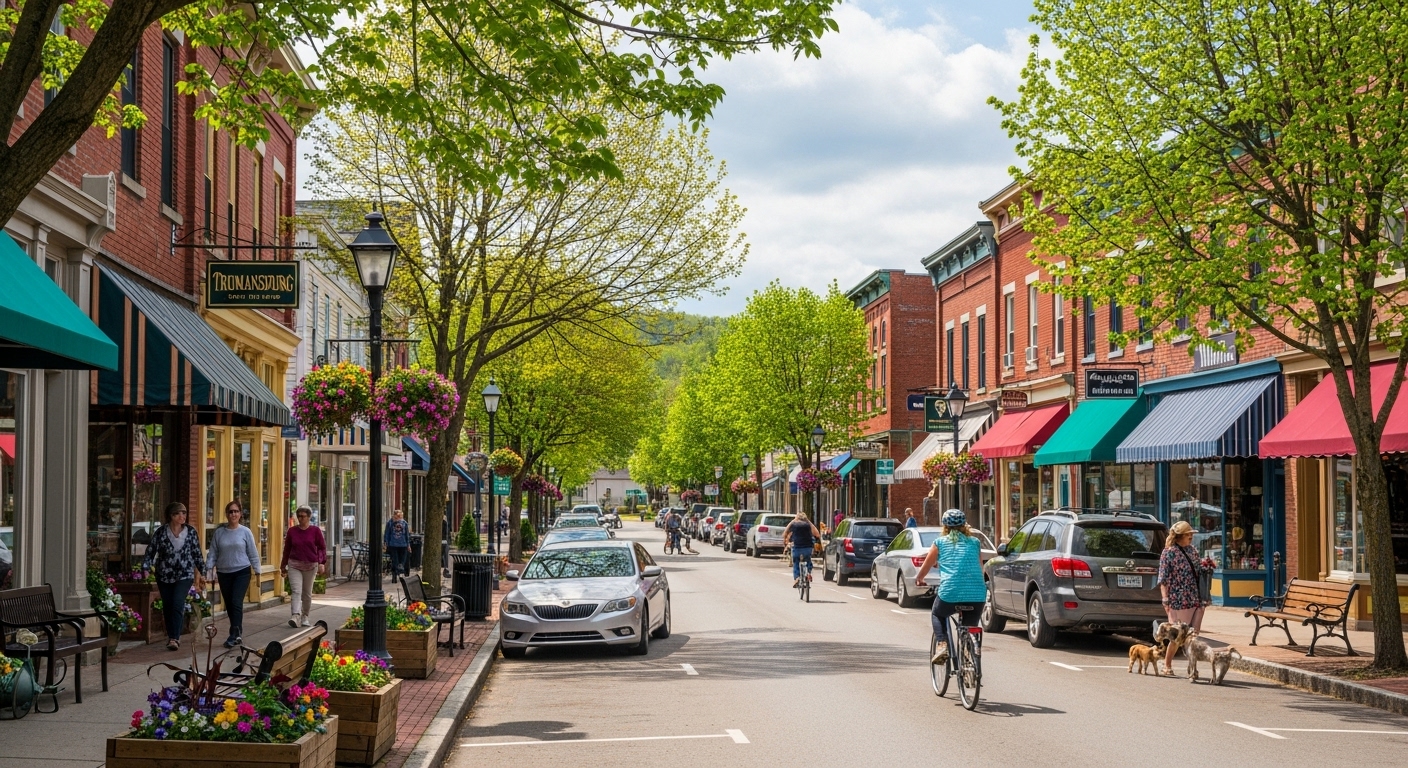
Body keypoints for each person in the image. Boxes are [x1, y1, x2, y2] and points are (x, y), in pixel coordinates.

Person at [914, 508, 987, 664]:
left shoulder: (939, 543)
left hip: (951, 592)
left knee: (937, 614)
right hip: (977, 594)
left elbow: (927, 564)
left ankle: (942, 644)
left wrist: (920, 578)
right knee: (970, 625)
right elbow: (980, 568)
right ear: (964, 525)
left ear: (945, 526)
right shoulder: (975, 542)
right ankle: (970, 655)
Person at [143, 502, 206, 651]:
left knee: (178, 602)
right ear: (171, 516)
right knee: (168, 604)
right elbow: (151, 550)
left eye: (184, 513)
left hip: (185, 574)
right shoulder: (161, 532)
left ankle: (174, 638)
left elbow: (196, 553)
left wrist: (203, 572)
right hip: (164, 574)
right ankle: (171, 634)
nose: (182, 516)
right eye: (178, 513)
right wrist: (146, 567)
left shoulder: (191, 532)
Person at [205, 500, 260, 648]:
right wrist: (209, 567)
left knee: (236, 602)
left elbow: (252, 553)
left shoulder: (245, 532)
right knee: (229, 604)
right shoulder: (219, 533)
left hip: (242, 571)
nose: (233, 514)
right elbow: (213, 552)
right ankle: (237, 631)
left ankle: (233, 634)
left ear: (240, 514)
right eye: (231, 512)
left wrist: (257, 570)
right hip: (224, 573)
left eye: (236, 511)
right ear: (227, 514)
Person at [1159, 520, 1210, 673]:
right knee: (1178, 635)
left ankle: (1192, 668)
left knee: (1193, 636)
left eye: (1191, 535)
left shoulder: (1192, 551)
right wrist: (1165, 599)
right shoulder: (1169, 552)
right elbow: (1163, 579)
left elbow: (1199, 571)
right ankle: (1167, 665)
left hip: (1195, 597)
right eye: (1188, 535)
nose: (1191, 537)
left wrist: (1207, 568)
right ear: (1180, 536)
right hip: (1178, 600)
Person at [280, 506, 327, 628]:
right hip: (294, 564)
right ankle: (295, 616)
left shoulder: (315, 531)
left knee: (306, 593)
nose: (300, 519)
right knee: (296, 591)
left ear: (309, 517)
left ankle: (305, 616)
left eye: (303, 516)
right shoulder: (292, 531)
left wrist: (321, 562)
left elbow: (322, 547)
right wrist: (283, 565)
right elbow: (287, 549)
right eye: (299, 516)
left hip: (310, 566)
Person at [782, 512, 821, 587]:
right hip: (807, 548)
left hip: (797, 548)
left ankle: (797, 578)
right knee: (808, 561)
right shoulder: (808, 525)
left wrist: (792, 521)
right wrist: (809, 522)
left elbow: (784, 534)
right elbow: (817, 534)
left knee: (796, 562)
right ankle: (808, 573)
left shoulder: (794, 524)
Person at [384, 509, 411, 581]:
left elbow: (407, 535)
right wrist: (386, 543)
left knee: (402, 559)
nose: (399, 518)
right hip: (393, 544)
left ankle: (400, 569)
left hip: (403, 544)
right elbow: (387, 533)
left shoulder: (404, 523)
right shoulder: (390, 523)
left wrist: (408, 545)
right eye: (397, 516)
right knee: (395, 560)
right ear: (394, 516)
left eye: (400, 516)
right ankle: (395, 574)